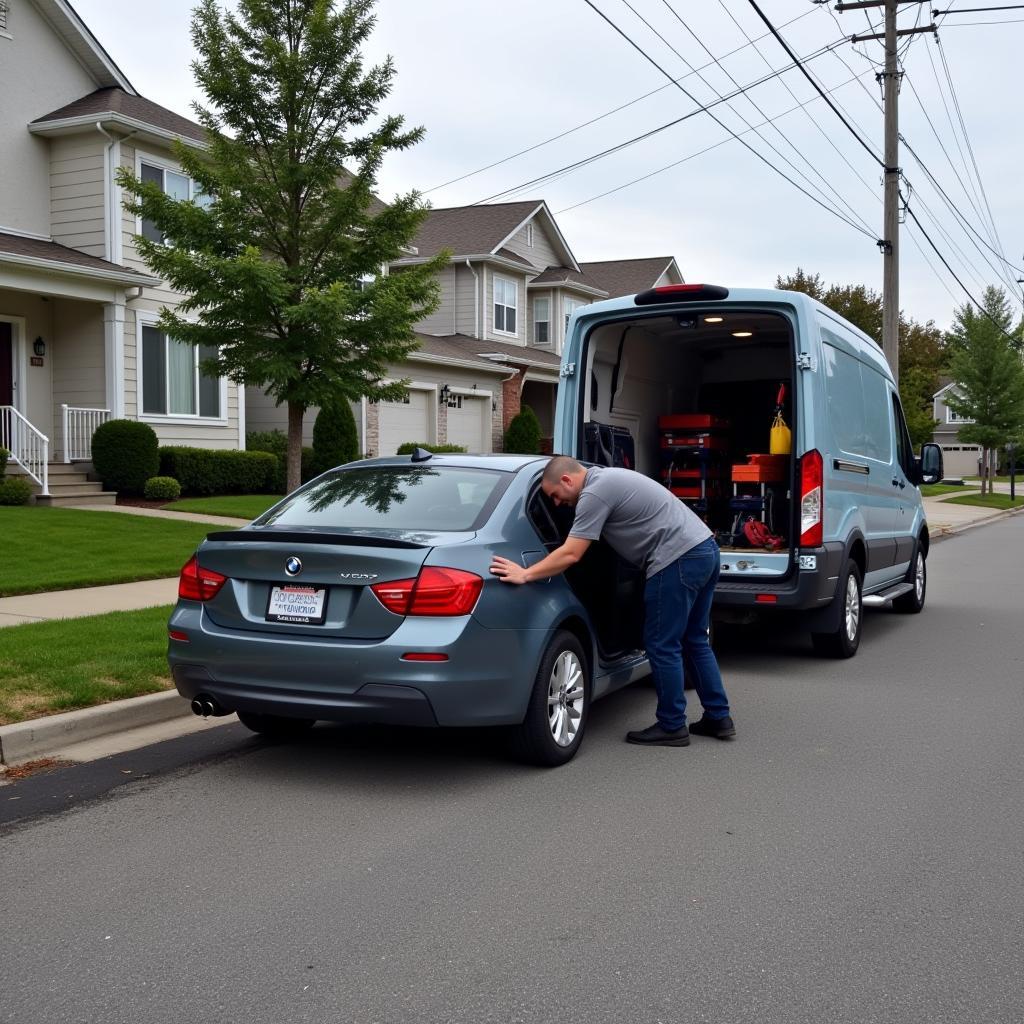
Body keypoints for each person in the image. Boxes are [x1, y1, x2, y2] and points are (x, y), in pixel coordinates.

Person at [490, 456, 734, 747]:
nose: (555, 503)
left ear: (567, 480)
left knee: (662, 644)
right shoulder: (609, 478)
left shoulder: (593, 493)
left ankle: (672, 725)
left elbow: (571, 553)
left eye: (555, 495)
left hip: (676, 560)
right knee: (694, 639)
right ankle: (719, 718)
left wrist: (526, 573)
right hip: (704, 549)